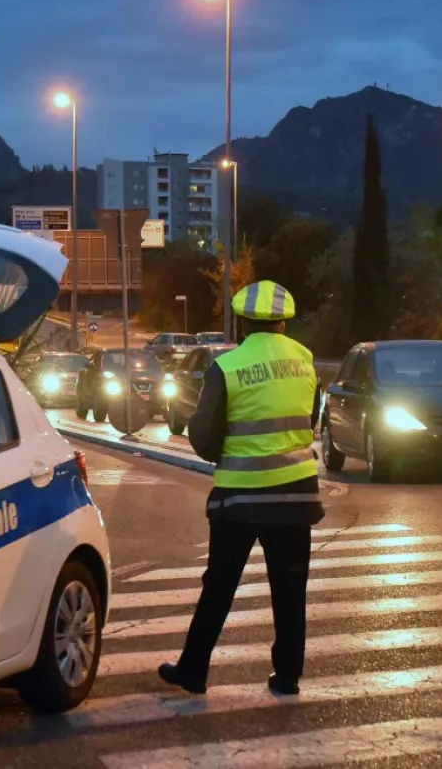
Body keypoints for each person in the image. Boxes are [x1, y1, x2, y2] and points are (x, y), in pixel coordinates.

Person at [158, 281, 324, 696]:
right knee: (290, 588)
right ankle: (287, 677)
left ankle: (193, 671)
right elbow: (311, 417)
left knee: (220, 585)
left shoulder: (227, 367)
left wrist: (226, 452)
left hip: (241, 498)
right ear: (284, 322)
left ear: (242, 323)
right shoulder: (305, 360)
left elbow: (205, 436)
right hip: (296, 496)